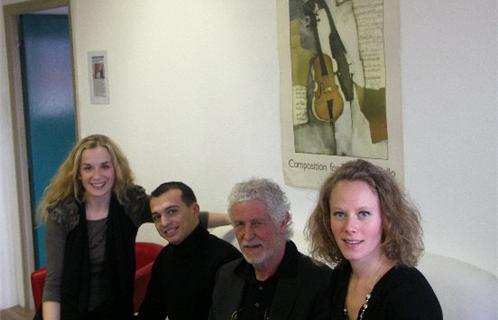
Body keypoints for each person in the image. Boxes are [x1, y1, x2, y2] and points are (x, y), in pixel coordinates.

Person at [37, 134, 229, 320]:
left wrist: (235, 218)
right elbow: (54, 283)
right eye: (88, 168)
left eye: (105, 166)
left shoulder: (130, 203)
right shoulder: (62, 213)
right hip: (67, 312)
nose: (97, 176)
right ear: (78, 174)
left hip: (114, 311)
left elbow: (181, 216)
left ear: (116, 169)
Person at [307, 159, 442, 319]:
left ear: (387, 219)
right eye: (339, 214)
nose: (350, 227)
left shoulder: (411, 295)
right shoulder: (341, 275)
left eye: (363, 214)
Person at [209, 178, 332, 320]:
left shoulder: (319, 282)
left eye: (257, 223)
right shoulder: (226, 276)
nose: (247, 235)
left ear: (283, 221)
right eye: (240, 224)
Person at [136, 181, 241, 320]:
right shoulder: (165, 258)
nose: (164, 223)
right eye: (156, 217)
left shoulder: (226, 258)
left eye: (172, 211)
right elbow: (151, 312)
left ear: (195, 210)